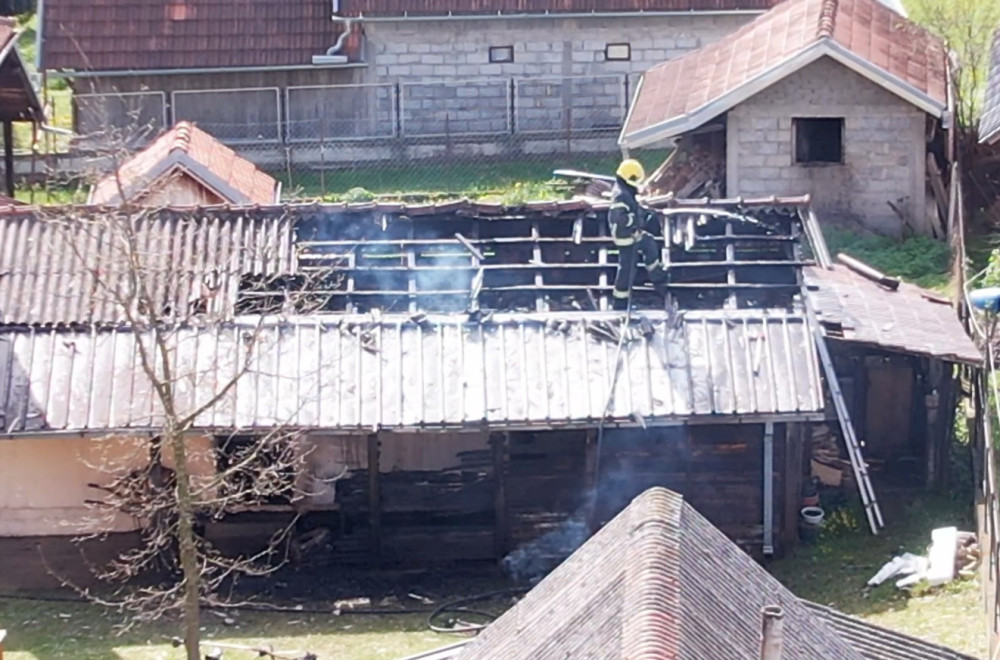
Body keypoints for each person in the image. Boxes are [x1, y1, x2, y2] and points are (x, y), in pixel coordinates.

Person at [608, 159, 667, 310]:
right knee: (627, 270)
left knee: (649, 243)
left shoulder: (624, 190)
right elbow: (619, 218)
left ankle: (659, 278)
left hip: (632, 234)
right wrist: (635, 220)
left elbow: (631, 207)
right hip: (625, 237)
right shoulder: (620, 195)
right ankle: (620, 303)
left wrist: (643, 212)